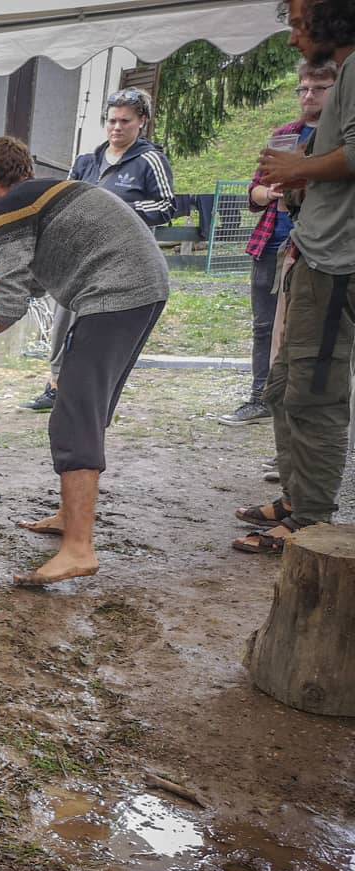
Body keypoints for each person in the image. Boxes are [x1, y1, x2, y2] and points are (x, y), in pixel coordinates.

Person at [0, 137, 168, 586]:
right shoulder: (46, 196)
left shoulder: (11, 207)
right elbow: (35, 281)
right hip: (142, 285)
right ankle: (67, 516)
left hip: (114, 292)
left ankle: (78, 548)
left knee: (74, 415)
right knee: (86, 408)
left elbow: (13, 298)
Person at [239, 0, 355, 552]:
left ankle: (310, 521)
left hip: (338, 264)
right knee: (283, 388)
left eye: (297, 24)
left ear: (331, 16)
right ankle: (296, 494)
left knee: (315, 395)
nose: (292, 39)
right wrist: (301, 177)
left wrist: (298, 168)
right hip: (312, 257)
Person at [20, 86, 176, 413]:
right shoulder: (86, 161)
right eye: (112, 121)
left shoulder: (150, 160)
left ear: (142, 122)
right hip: (80, 257)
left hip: (123, 262)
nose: (117, 127)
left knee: (99, 328)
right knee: (63, 319)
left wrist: (119, 208)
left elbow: (166, 206)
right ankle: (55, 383)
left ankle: (91, 392)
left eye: (125, 121)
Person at [223, 60, 337, 427]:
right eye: (302, 88)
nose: (308, 95)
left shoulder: (339, 140)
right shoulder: (285, 134)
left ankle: (294, 409)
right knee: (263, 326)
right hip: (271, 242)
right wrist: (269, 190)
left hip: (317, 249)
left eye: (317, 88)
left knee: (300, 333)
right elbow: (254, 193)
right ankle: (260, 397)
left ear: (337, 91)